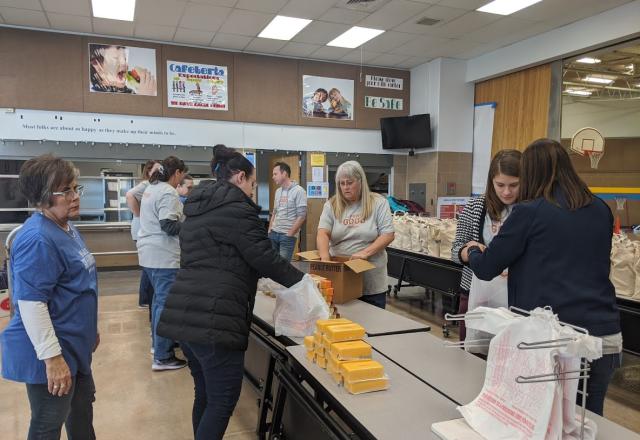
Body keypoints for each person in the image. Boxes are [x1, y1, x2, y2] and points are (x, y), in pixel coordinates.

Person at [460, 139, 622, 415]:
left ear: (531, 173)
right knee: (588, 420)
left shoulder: (530, 212)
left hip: (554, 339)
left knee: (544, 419)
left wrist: (469, 252)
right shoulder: (600, 208)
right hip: (603, 333)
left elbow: (487, 267)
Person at [157, 145, 304, 439]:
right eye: (251, 182)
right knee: (222, 400)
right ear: (238, 177)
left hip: (185, 316)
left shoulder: (197, 208)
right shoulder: (238, 210)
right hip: (215, 321)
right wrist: (304, 284)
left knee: (206, 395)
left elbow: (226, 256)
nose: (252, 189)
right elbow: (263, 257)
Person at [1, 155, 98, 439]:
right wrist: (53, 359)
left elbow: (78, 286)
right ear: (43, 198)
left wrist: (90, 329)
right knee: (47, 423)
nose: (74, 196)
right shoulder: (38, 238)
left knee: (81, 414)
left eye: (75, 188)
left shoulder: (65, 227)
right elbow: (31, 304)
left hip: (74, 343)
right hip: (51, 351)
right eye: (65, 191)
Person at [451, 149, 521, 342]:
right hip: (476, 294)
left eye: (514, 185)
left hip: (515, 299)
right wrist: (470, 252)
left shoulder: (529, 210)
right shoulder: (475, 207)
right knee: (472, 357)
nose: (506, 192)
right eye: (500, 185)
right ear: (491, 181)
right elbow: (455, 249)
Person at [317, 161, 395, 309]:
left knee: (373, 324)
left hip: (371, 279)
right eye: (342, 183)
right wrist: (325, 259)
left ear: (360, 181)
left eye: (349, 183)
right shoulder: (331, 205)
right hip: (341, 278)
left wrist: (365, 253)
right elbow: (323, 233)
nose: (345, 187)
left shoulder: (378, 203)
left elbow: (388, 234)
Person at [137, 156, 188, 371]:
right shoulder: (168, 191)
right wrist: (192, 226)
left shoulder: (152, 187)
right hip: (163, 256)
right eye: (182, 177)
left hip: (149, 254)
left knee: (158, 303)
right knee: (165, 305)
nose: (181, 182)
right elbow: (168, 225)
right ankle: (163, 357)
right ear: (176, 173)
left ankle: (159, 345)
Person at [126, 160, 160, 309]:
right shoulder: (146, 184)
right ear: (149, 172)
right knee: (148, 266)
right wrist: (138, 215)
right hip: (141, 228)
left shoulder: (153, 186)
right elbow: (129, 195)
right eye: (157, 169)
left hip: (142, 228)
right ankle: (145, 298)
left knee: (148, 265)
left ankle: (145, 298)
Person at [268, 162, 307, 261]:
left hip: (287, 236)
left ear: (284, 174)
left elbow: (302, 216)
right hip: (274, 233)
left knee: (283, 268)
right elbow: (275, 212)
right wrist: (270, 229)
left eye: (275, 174)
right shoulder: (278, 191)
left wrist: (290, 233)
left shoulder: (299, 191)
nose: (273, 177)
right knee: (273, 265)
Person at [89, 44, 156, 95]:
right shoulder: (93, 96)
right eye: (116, 58)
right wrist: (144, 99)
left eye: (125, 59)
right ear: (97, 64)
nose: (125, 63)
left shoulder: (131, 93)